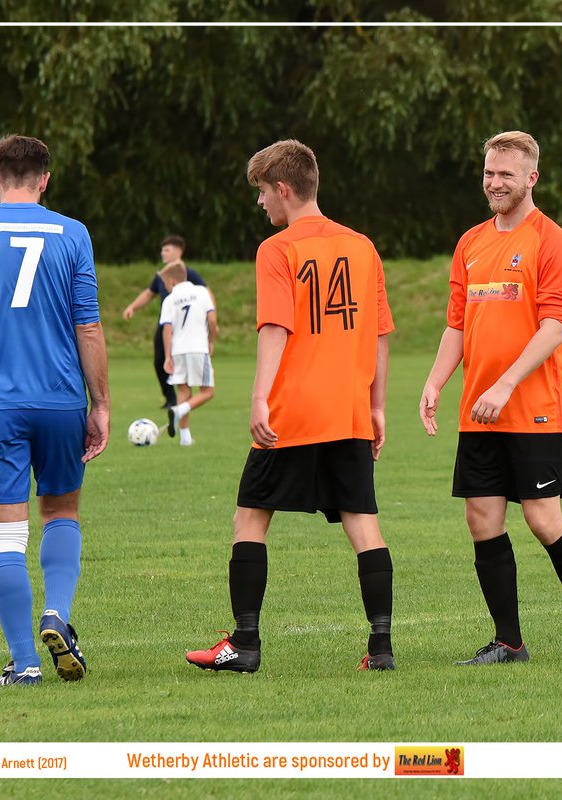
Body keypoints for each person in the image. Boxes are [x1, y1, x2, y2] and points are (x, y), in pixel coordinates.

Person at [185, 139, 397, 673]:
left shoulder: (277, 250)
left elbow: (276, 326)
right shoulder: (363, 247)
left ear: (282, 189)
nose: (260, 203)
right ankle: (382, 649)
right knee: (363, 524)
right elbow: (379, 336)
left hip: (294, 413)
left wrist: (259, 397)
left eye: (261, 191)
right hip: (349, 410)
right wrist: (377, 407)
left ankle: (245, 646)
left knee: (250, 518)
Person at [418, 130, 562, 666]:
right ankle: (509, 642)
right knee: (482, 519)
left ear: (531, 178)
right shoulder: (470, 243)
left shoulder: (551, 241)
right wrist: (436, 380)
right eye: (489, 173)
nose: (495, 183)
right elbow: (458, 324)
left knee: (544, 520)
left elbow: (553, 327)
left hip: (535, 407)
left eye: (506, 174)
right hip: (480, 411)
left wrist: (505, 384)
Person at [0, 134, 110, 686]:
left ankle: (26, 663)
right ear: (45, 179)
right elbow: (88, 325)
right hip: (62, 401)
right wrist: (101, 402)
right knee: (62, 513)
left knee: (5, 538)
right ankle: (56, 612)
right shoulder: (73, 234)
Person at [121, 235, 207, 420]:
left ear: (178, 252)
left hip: (184, 329)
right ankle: (171, 399)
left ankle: (182, 400)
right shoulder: (161, 276)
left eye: (167, 250)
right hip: (165, 324)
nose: (163, 253)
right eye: (162, 250)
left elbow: (206, 295)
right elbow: (149, 293)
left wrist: (208, 317)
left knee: (177, 362)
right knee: (160, 361)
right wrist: (133, 307)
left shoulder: (188, 274)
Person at [159, 260, 218, 446]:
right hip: (197, 348)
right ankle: (179, 410)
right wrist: (210, 340)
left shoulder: (169, 300)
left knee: (184, 390)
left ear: (172, 281)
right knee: (208, 392)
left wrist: (168, 356)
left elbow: (166, 329)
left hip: (178, 350)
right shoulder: (201, 292)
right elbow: (212, 319)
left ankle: (185, 438)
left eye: (165, 283)